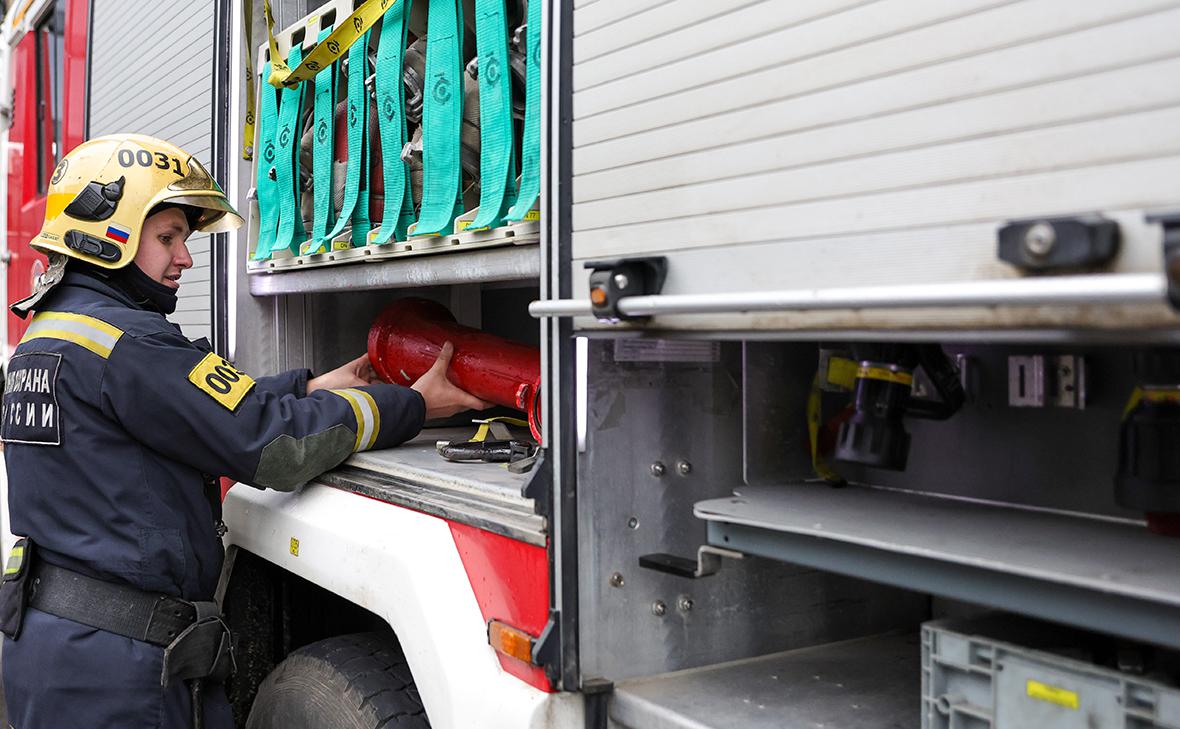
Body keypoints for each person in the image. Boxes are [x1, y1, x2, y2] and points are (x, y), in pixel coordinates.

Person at [0, 134, 488, 729]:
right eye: (168, 237)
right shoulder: (128, 344)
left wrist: (311, 387)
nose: (184, 258)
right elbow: (273, 445)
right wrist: (411, 405)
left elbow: (192, 412)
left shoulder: (51, 337)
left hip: (57, 649)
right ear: (107, 233)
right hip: (118, 672)